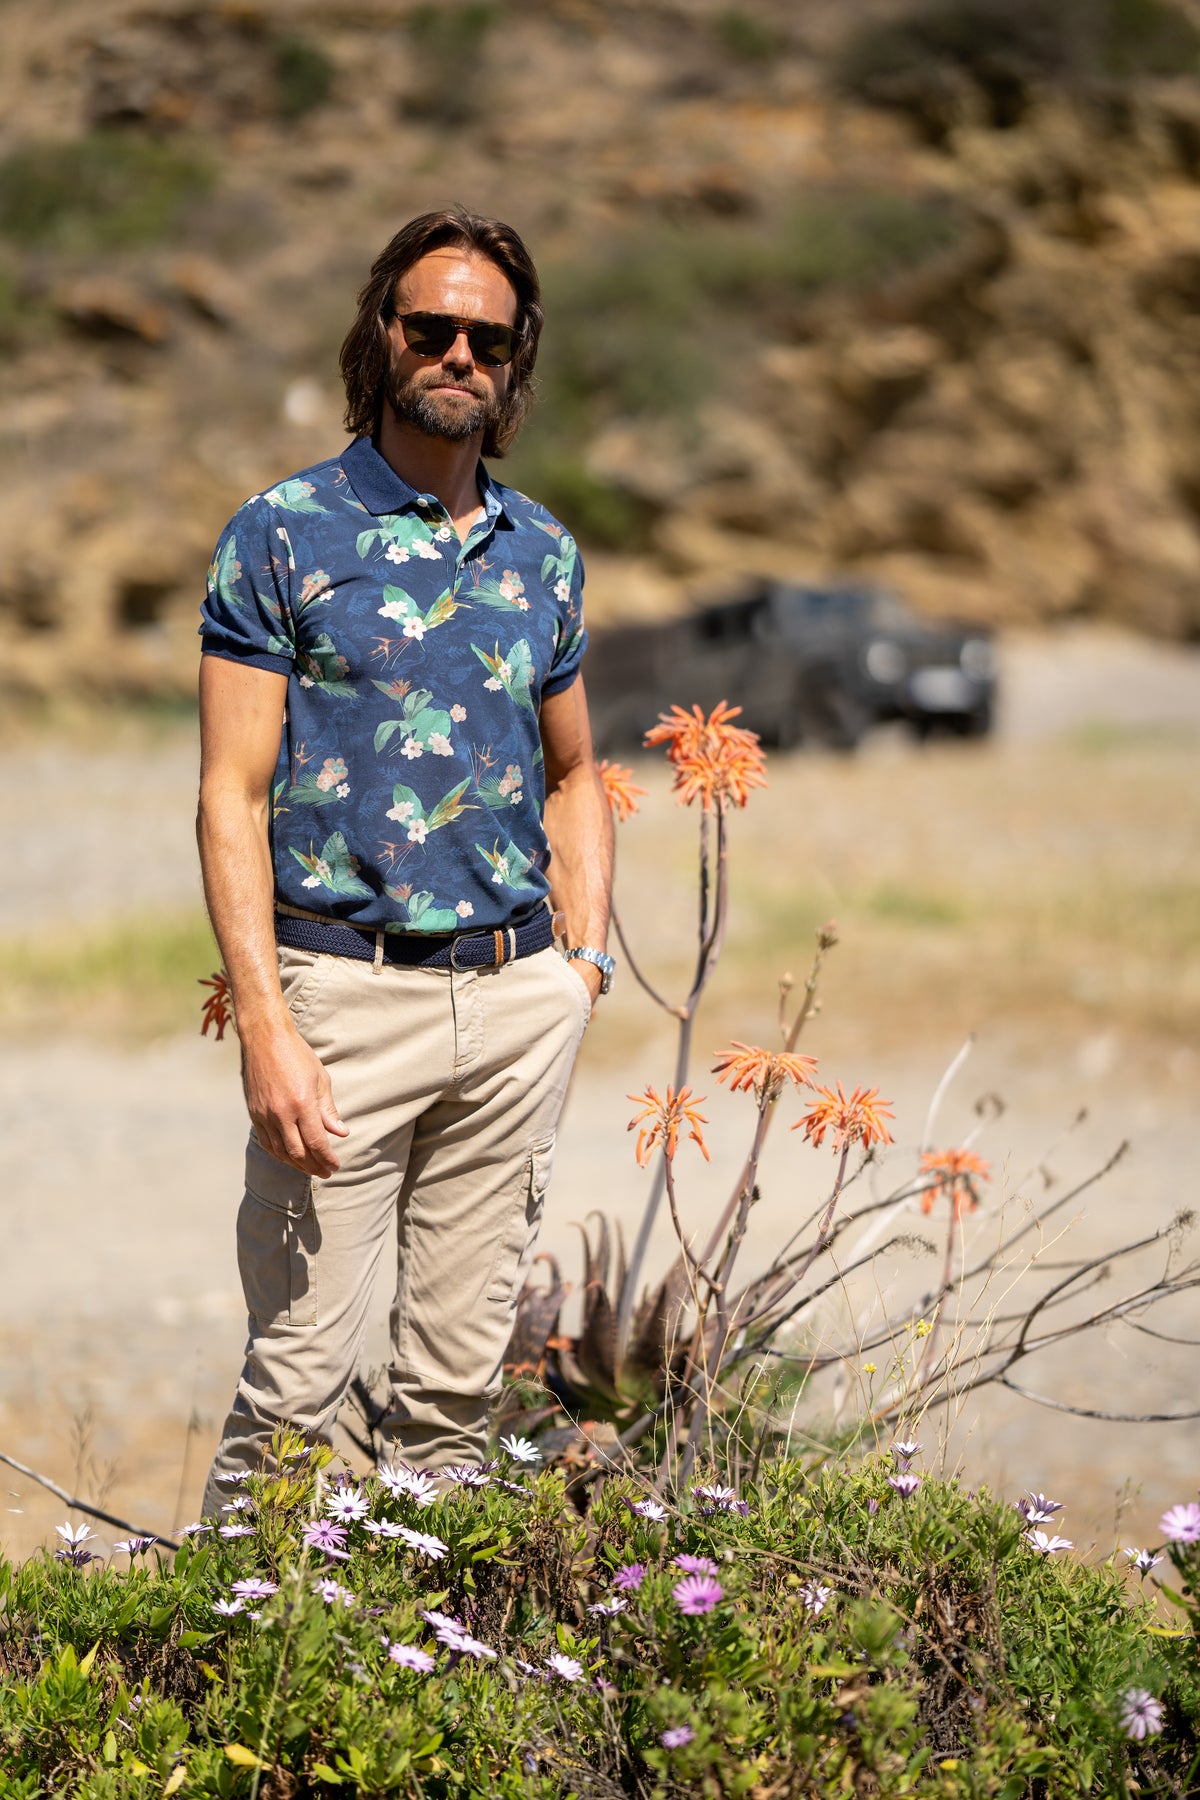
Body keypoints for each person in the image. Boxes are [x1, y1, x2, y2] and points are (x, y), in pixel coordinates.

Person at [195, 207, 614, 1517]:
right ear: (381, 335)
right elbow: (229, 792)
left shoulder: (541, 552)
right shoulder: (282, 533)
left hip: (511, 1007)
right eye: (429, 327)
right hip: (342, 1004)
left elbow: (574, 773)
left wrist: (582, 966)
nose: (457, 354)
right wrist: (266, 1023)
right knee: (295, 1388)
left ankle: (412, 1672)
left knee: (451, 1401)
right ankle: (219, 1678)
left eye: (486, 338)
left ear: (515, 360)